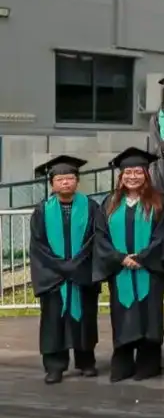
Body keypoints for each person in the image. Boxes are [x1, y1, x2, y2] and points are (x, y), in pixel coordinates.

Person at [92, 148, 164, 382]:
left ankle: (149, 363)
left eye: (138, 172)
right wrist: (120, 258)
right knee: (123, 315)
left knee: (149, 315)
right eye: (128, 173)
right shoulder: (109, 203)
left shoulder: (157, 202)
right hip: (120, 270)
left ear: (146, 174)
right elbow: (100, 237)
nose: (133, 177)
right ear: (120, 177)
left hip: (149, 270)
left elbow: (163, 235)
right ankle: (123, 362)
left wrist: (143, 257)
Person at [30, 155, 100, 383]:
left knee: (85, 320)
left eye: (70, 178)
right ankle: (54, 367)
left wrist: (77, 266)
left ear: (77, 181)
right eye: (60, 179)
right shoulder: (41, 211)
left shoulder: (91, 207)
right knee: (52, 322)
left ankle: (86, 361)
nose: (65, 183)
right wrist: (61, 267)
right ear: (52, 184)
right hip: (54, 278)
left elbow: (95, 241)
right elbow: (38, 246)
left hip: (82, 274)